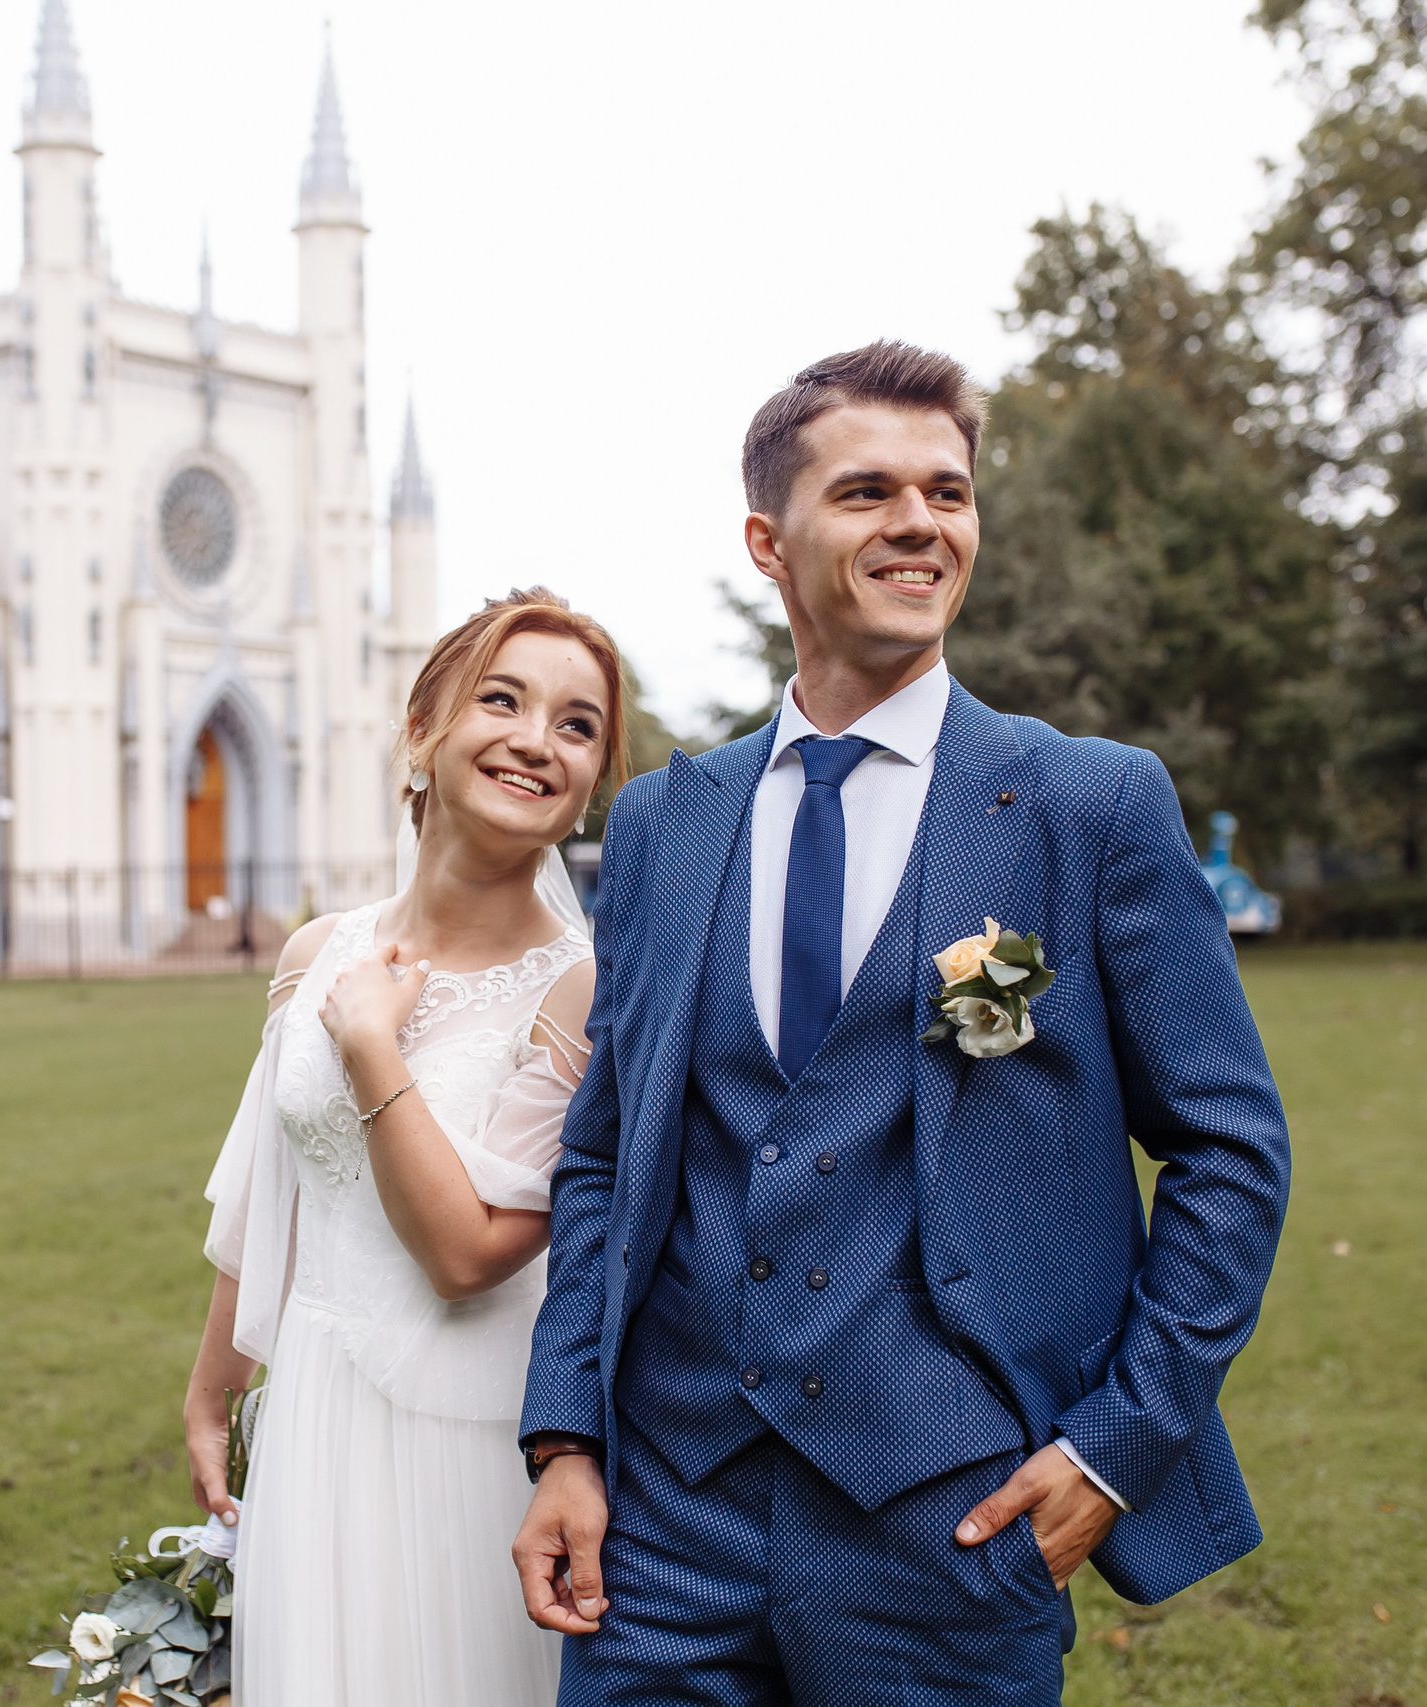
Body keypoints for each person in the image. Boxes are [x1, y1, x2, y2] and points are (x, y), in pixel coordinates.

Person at [513, 343, 1292, 1704]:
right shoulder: (662, 824)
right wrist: (566, 1437)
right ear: (769, 539)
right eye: (868, 491)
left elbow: (1230, 1150)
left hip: (954, 1514)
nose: (920, 522)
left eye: (949, 490)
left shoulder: (1083, 803)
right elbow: (604, 1155)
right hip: (666, 1520)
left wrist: (1118, 1442)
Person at [184, 588, 631, 1706]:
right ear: (424, 729)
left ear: (588, 787)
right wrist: (211, 1393)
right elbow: (269, 1187)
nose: (537, 740)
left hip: (472, 1442)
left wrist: (374, 1050)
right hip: (317, 1416)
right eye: (503, 700)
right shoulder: (316, 950)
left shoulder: (581, 991)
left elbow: (470, 1252)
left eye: (578, 726)